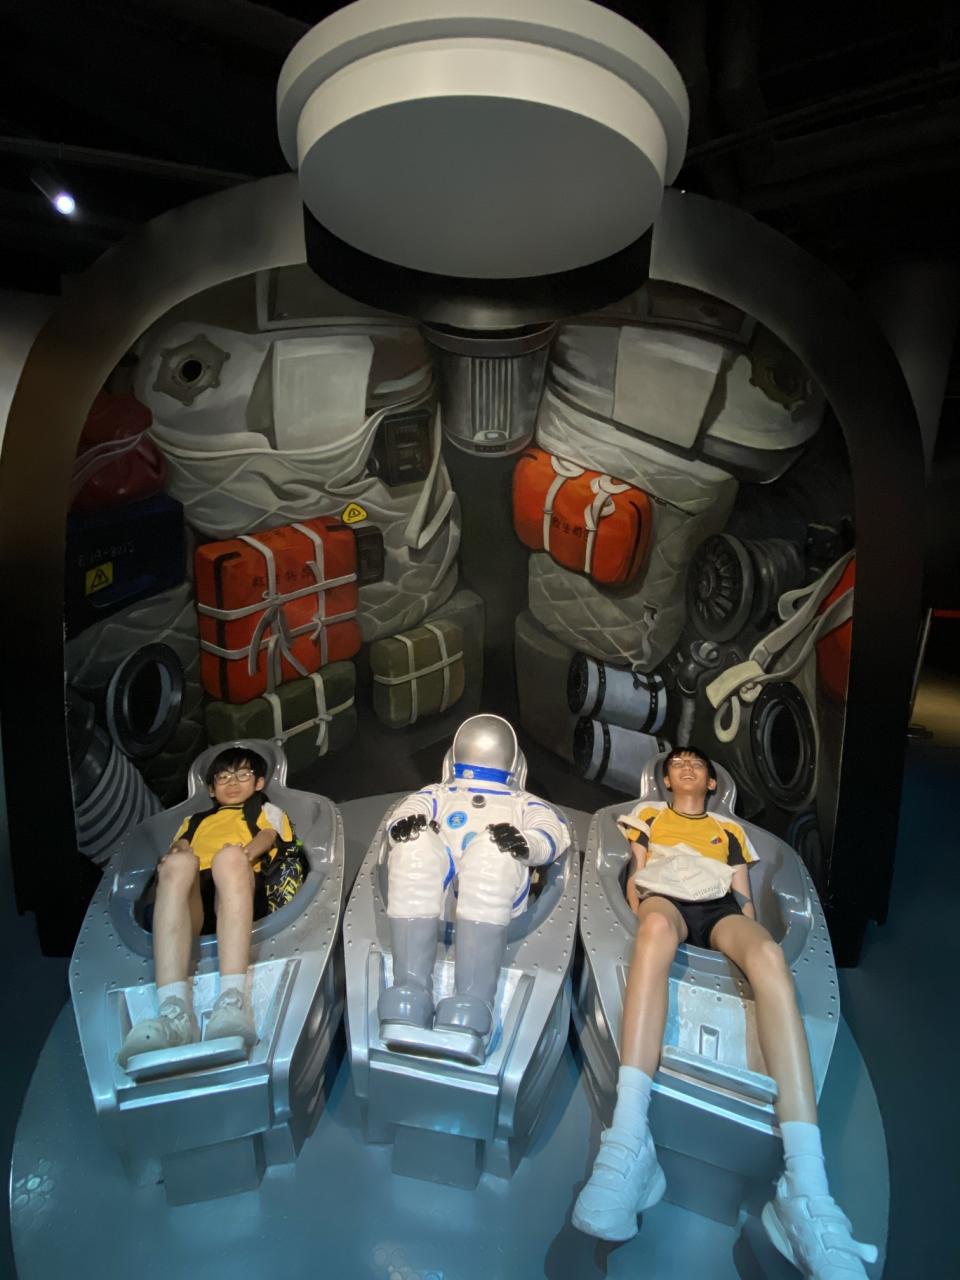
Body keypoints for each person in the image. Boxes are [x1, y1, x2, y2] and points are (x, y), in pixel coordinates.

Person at [572, 747, 877, 1280]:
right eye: (677, 764)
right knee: (654, 929)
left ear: (713, 784)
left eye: (697, 765)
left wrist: (746, 941)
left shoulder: (728, 831)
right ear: (665, 779)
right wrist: (640, 911)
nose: (687, 768)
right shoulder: (647, 815)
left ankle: (806, 1186)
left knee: (768, 956)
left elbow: (743, 895)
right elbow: (636, 873)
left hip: (718, 906)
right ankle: (629, 1136)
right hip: (665, 897)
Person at [379, 714, 569, 1057]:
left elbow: (551, 831)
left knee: (492, 852)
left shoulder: (523, 803)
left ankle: (474, 1000)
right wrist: (405, 827)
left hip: (496, 891)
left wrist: (525, 844)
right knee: (414, 846)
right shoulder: (438, 794)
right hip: (438, 895)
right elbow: (408, 813)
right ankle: (409, 990)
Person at [117, 746, 293, 1067]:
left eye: (242, 775)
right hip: (198, 895)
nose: (232, 782)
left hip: (241, 885)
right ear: (211, 789)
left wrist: (245, 853)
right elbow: (180, 845)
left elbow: (269, 837)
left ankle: (232, 1002)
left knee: (229, 858)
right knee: (178, 865)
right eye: (223, 777)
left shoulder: (266, 810)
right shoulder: (194, 821)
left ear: (258, 782)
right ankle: (174, 1013)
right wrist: (175, 855)